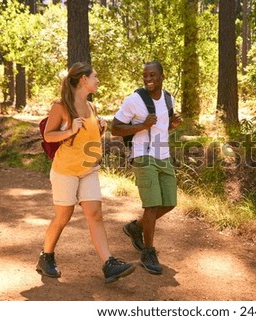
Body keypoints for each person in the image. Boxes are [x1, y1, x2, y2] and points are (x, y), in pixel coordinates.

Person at [36, 62, 135, 284]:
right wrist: (70, 129)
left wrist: (99, 131)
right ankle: (46, 256)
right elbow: (49, 136)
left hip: (89, 170)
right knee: (63, 216)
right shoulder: (60, 106)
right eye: (95, 77)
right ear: (83, 80)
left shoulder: (92, 107)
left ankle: (109, 264)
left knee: (95, 215)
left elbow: (88, 140)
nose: (98, 81)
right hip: (65, 171)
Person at [111, 61, 182, 274]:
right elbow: (115, 129)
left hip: (163, 155)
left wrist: (173, 125)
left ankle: (136, 227)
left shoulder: (169, 98)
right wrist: (142, 125)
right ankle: (148, 252)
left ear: (162, 76)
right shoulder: (134, 100)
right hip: (143, 155)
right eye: (145, 75)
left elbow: (162, 127)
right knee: (151, 205)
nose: (148, 79)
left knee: (169, 202)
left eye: (152, 75)